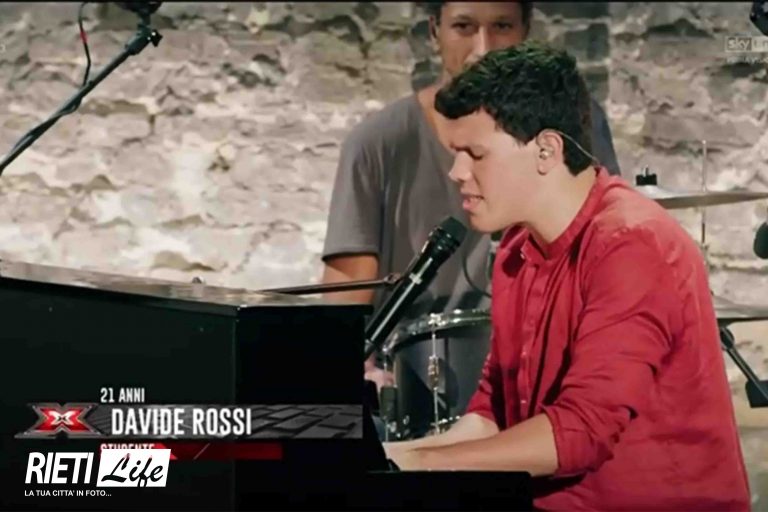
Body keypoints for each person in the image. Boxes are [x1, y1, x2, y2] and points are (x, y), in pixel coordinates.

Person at [382, 41, 751, 511]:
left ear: (546, 150)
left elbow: (581, 432)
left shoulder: (632, 245)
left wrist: (417, 464)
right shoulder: (517, 250)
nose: (457, 172)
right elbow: (494, 410)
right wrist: (393, 456)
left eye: (475, 153)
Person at [321, 2, 621, 402]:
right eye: (464, 26)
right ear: (434, 30)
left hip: (548, 370)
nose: (483, 48)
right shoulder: (377, 141)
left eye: (502, 26)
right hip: (420, 376)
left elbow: (602, 244)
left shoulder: (574, 122)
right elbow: (345, 299)